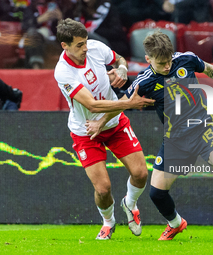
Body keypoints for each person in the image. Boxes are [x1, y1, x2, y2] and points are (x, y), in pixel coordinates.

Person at [86, 31, 213, 240]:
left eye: (168, 60)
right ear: (148, 60)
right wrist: (100, 122)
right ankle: (175, 223)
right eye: (161, 63)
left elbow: (210, 70)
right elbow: (124, 105)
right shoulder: (144, 81)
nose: (167, 66)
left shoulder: (186, 59)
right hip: (175, 140)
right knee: (156, 193)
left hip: (203, 129)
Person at [54, 18, 155, 240]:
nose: (85, 48)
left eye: (85, 42)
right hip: (86, 131)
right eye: (79, 45)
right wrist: (129, 103)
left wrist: (120, 69)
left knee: (140, 174)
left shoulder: (96, 48)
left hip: (114, 122)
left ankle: (130, 204)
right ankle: (108, 222)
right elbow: (91, 104)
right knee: (103, 189)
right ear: (65, 46)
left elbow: (119, 58)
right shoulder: (63, 72)